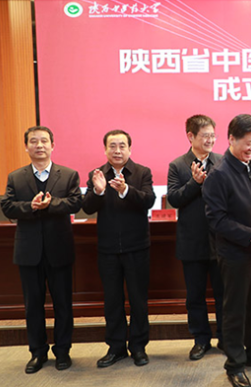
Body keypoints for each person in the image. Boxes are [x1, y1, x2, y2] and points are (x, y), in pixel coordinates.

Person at [203, 114, 251, 387]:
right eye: (248, 143)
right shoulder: (218, 174)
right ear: (231, 139)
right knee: (235, 310)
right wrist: (250, 235)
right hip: (235, 253)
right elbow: (217, 220)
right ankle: (235, 364)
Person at [0, 126, 83, 374]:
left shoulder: (68, 175)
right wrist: (31, 207)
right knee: (33, 305)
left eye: (44, 141)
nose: (39, 145)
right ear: (26, 147)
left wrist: (51, 204)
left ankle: (63, 351)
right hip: (28, 251)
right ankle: (37, 353)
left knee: (63, 304)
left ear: (52, 145)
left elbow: (76, 202)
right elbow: (7, 207)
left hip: (59, 249)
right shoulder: (16, 177)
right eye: (34, 141)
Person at [82, 129, 156, 368]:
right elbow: (87, 207)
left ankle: (138, 347)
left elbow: (149, 200)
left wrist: (125, 190)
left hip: (137, 247)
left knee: (138, 300)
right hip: (108, 249)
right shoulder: (97, 175)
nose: (117, 150)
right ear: (105, 150)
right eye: (112, 146)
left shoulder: (142, 172)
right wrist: (99, 191)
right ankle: (116, 348)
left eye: (122, 146)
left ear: (129, 149)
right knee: (112, 300)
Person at [167, 115, 224, 360]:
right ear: (190, 136)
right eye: (205, 136)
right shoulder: (178, 165)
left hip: (221, 240)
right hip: (192, 241)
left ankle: (226, 338)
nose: (210, 140)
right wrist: (194, 182)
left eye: (212, 135)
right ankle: (201, 340)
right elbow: (174, 199)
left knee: (224, 294)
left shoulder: (223, 162)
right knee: (195, 296)